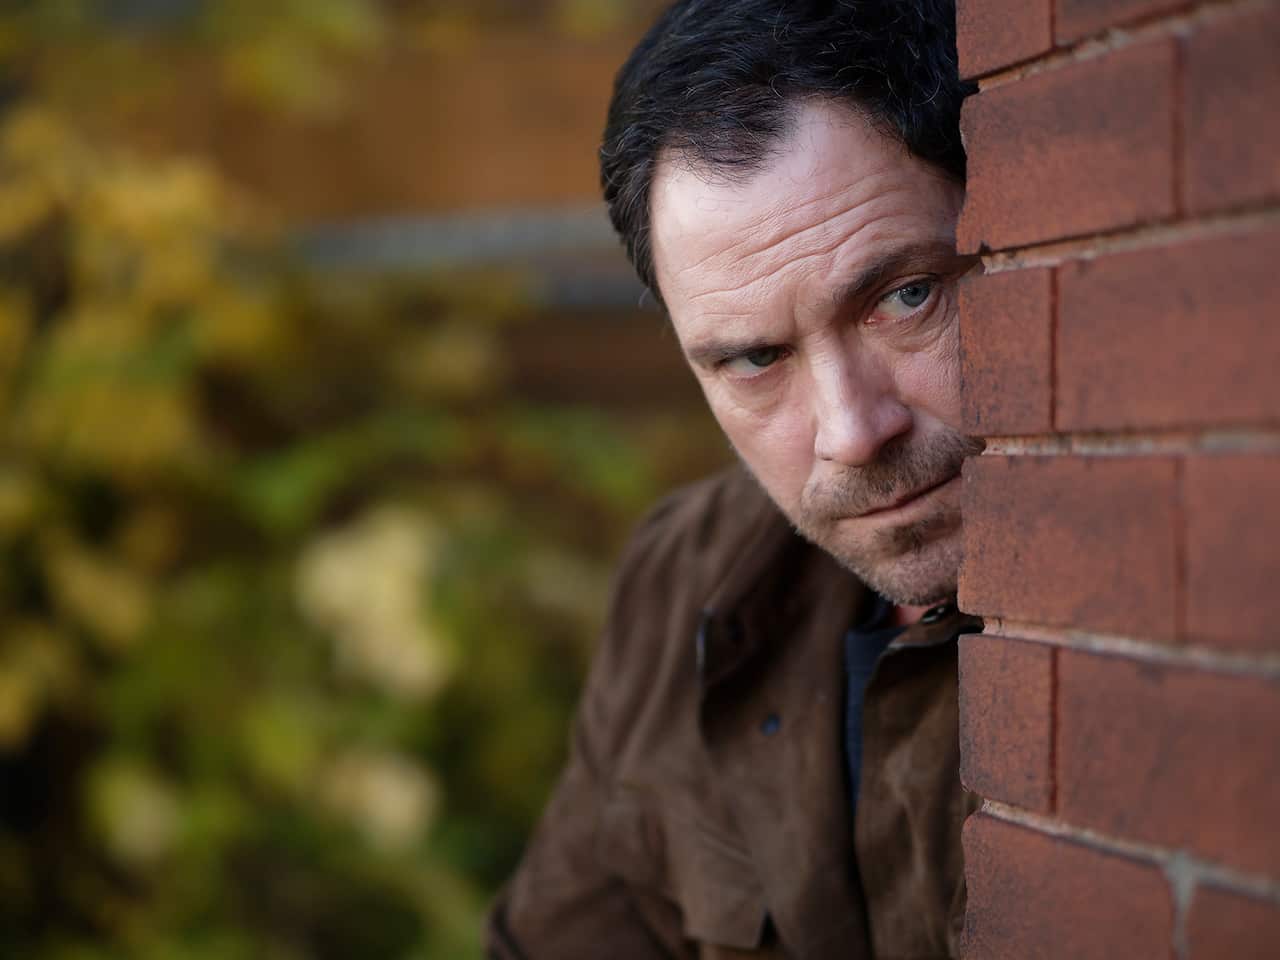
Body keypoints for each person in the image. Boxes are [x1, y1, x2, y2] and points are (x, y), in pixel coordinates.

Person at [487, 1, 982, 956]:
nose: (851, 433)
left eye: (905, 297)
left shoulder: (1155, 585)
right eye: (756, 359)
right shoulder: (685, 576)